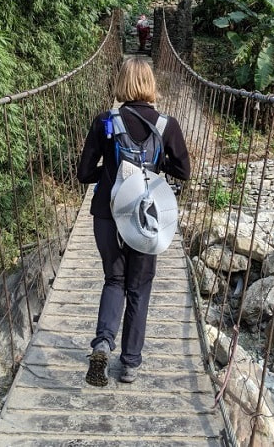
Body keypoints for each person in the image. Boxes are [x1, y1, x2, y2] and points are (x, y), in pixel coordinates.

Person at [77, 58, 190, 386]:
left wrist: (113, 176)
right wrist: (152, 170)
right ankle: (129, 364)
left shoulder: (104, 121)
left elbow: (84, 173)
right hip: (147, 216)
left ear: (122, 83)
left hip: (108, 213)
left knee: (114, 281)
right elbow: (184, 172)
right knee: (138, 287)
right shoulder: (167, 125)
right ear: (151, 84)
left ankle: (102, 343)